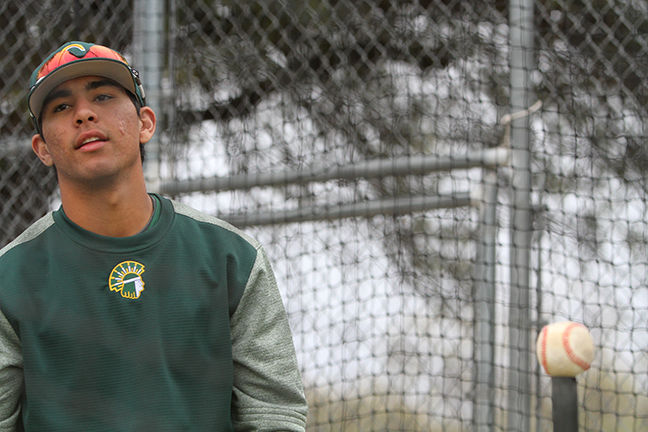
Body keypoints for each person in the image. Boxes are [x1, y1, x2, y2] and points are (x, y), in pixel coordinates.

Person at [0, 41, 308, 431]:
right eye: (61, 107)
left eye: (103, 95)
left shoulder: (232, 256)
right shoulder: (10, 277)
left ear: (145, 122)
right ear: (42, 148)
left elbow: (275, 414)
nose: (84, 113)